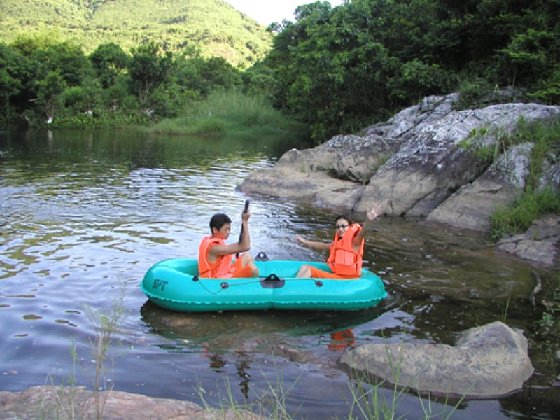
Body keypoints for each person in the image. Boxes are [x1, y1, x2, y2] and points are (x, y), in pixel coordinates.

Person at [295, 205, 382, 279]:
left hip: (346, 280)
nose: (340, 229)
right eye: (338, 227)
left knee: (309, 270)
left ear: (349, 227)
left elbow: (362, 233)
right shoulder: (337, 244)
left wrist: (368, 221)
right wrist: (303, 241)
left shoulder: (355, 242)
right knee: (304, 267)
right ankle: (293, 286)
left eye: (343, 226)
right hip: (337, 275)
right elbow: (321, 245)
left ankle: (292, 289)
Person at [198, 211, 259, 278]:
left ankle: (253, 280)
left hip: (220, 276)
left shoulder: (210, 241)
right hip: (216, 282)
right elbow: (246, 246)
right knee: (248, 258)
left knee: (249, 263)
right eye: (226, 229)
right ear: (215, 229)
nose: (228, 232)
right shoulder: (213, 248)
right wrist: (245, 221)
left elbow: (242, 244)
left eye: (229, 229)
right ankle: (256, 284)